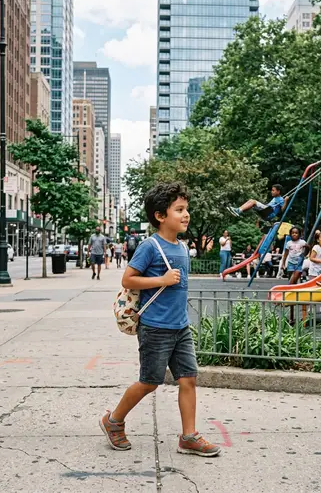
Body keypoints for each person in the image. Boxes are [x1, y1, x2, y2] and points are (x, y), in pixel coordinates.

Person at [100, 182, 220, 457]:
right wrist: (161, 280)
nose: (186, 214)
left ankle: (188, 436)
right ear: (160, 216)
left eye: (186, 209)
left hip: (180, 327)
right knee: (149, 382)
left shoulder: (182, 246)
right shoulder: (150, 246)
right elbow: (128, 278)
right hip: (155, 327)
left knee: (188, 379)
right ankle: (113, 420)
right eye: (179, 209)